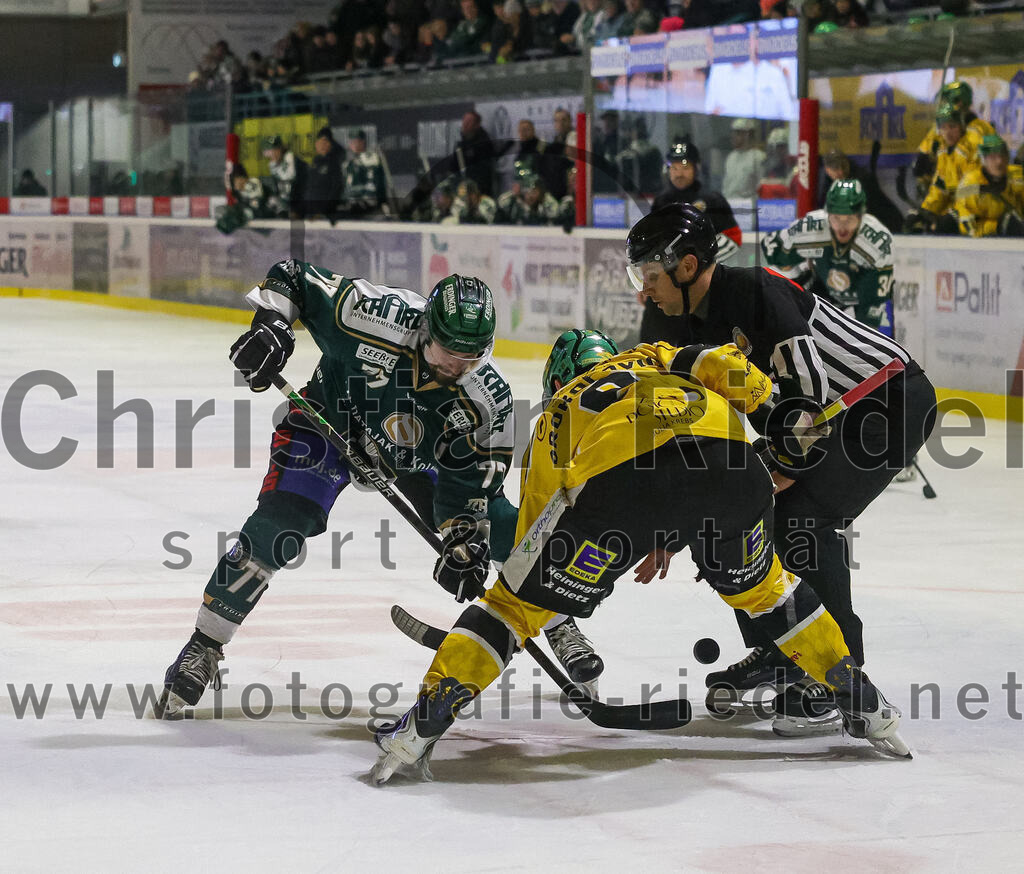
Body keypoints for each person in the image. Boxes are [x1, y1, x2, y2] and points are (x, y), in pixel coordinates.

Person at [371, 332, 910, 783]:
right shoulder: (652, 354)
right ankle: (866, 702)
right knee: (769, 592)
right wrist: (773, 409)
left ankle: (419, 729)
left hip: (620, 490)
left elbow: (533, 538)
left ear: (557, 376)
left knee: (510, 607)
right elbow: (721, 363)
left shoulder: (555, 414)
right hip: (732, 469)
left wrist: (524, 601)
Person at [624, 204, 936, 737]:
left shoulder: (756, 293)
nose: (643, 291)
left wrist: (781, 470)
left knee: (801, 520)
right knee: (737, 520)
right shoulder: (683, 323)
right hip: (825, 417)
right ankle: (782, 647)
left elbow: (808, 401)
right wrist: (673, 529)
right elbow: (696, 436)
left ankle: (839, 673)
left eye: (650, 277)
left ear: (688, 265)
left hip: (886, 404)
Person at [156, 271, 518, 719]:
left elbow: (469, 489)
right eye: (449, 352)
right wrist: (272, 326)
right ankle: (204, 644)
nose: (457, 366)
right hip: (326, 423)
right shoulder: (375, 315)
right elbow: (293, 277)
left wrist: (464, 540)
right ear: (426, 329)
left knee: (507, 529)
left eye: (471, 357)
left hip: (413, 460)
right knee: (281, 524)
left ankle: (556, 617)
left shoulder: (487, 400)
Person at [761, 179, 893, 333]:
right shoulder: (811, 227)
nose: (842, 227)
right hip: (823, 291)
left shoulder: (878, 243)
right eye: (836, 218)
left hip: (861, 297)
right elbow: (771, 245)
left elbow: (872, 307)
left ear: (860, 216)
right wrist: (790, 266)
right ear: (828, 214)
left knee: (871, 341)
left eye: (849, 219)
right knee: (781, 273)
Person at [644, 141, 742, 344]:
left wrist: (702, 263)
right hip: (667, 285)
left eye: (685, 167)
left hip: (701, 288)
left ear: (696, 168)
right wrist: (648, 279)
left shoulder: (712, 200)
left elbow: (734, 236)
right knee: (657, 345)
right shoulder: (661, 201)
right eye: (674, 167)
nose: (679, 173)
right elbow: (650, 246)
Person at [905, 103, 977, 235]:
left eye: (952, 126)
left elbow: (974, 190)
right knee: (914, 224)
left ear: (961, 127)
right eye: (943, 127)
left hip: (977, 209)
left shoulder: (969, 150)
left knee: (944, 227)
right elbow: (939, 187)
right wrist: (925, 210)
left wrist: (954, 213)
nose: (948, 132)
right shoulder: (944, 152)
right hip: (959, 207)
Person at [913, 80, 995, 188]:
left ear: (960, 103)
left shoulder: (979, 129)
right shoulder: (939, 127)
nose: (942, 109)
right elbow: (920, 165)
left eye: (945, 104)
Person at [954, 134, 1024, 238]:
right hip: (980, 242)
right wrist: (997, 226)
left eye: (1002, 156)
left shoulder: (1018, 176)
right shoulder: (969, 185)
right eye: (992, 157)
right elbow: (968, 227)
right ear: (983, 160)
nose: (999, 161)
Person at [447, 110, 497, 197]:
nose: (465, 124)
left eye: (469, 121)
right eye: (464, 121)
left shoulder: (484, 143)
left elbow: (484, 172)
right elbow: (453, 167)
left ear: (477, 125)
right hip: (462, 191)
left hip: (479, 193)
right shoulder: (460, 145)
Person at [338, 129, 386, 217]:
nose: (354, 145)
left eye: (358, 141)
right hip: (351, 207)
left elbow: (372, 188)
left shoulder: (371, 159)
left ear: (363, 142)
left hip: (370, 209)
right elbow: (345, 185)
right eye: (352, 142)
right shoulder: (347, 163)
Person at [262, 135, 309, 218]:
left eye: (276, 149)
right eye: (270, 150)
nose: (273, 153)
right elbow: (278, 190)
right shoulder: (273, 165)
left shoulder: (294, 161)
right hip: (287, 206)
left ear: (281, 149)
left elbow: (304, 188)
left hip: (301, 207)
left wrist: (296, 210)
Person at [305, 126, 345, 219]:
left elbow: (337, 189)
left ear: (331, 144)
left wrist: (324, 210)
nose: (322, 145)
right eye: (320, 142)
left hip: (325, 214)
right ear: (316, 144)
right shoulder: (313, 164)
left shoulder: (335, 163)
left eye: (326, 142)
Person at [721, 118, 765, 202]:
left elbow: (761, 187)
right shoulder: (731, 156)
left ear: (748, 134)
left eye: (737, 133)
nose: (733, 136)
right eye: (733, 133)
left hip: (748, 208)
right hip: (729, 205)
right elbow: (726, 186)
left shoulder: (758, 157)